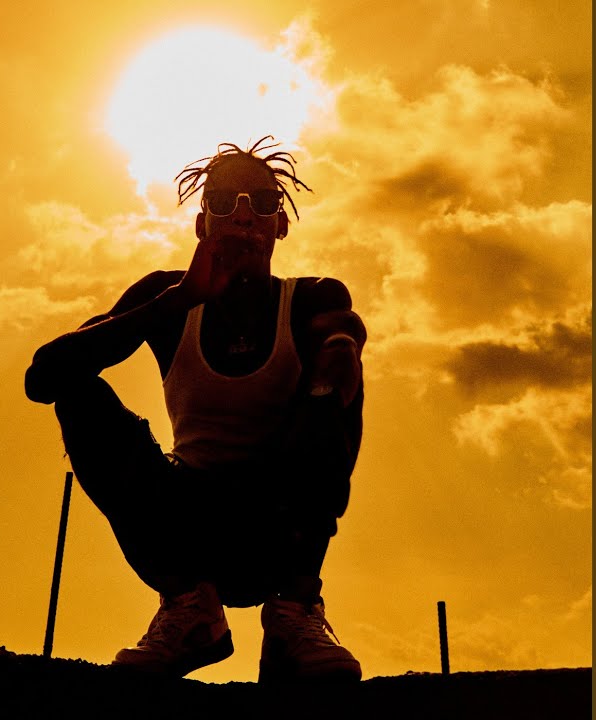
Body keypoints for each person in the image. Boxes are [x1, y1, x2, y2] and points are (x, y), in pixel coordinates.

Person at [25, 136, 367, 683]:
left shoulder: (313, 298)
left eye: (261, 202)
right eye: (224, 201)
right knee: (76, 388)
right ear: (201, 223)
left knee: (338, 370)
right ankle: (191, 612)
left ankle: (295, 609)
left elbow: (344, 349)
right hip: (185, 529)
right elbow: (43, 377)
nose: (243, 216)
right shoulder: (167, 296)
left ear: (280, 224)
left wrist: (335, 360)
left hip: (279, 526)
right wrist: (180, 299)